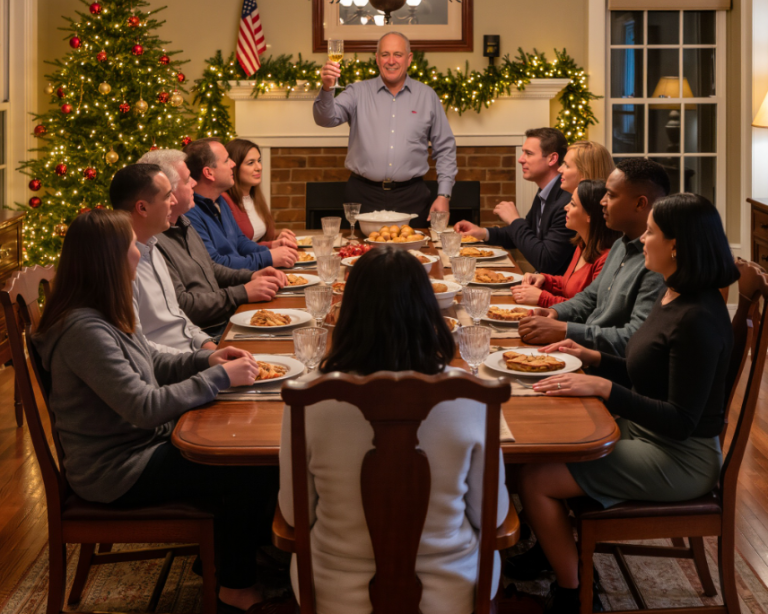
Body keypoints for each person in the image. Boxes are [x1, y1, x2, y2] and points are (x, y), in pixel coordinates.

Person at [30, 210, 288, 613]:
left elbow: (152, 359)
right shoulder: (84, 330)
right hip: (117, 468)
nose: (139, 252)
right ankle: (235, 588)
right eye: (130, 246)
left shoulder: (105, 308)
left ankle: (236, 556)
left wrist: (209, 360)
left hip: (140, 445)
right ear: (108, 259)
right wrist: (218, 379)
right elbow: (143, 407)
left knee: (247, 454)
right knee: (244, 466)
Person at [514, 193, 740, 614]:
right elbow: (648, 368)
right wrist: (592, 357)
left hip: (679, 457)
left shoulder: (698, 318)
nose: (642, 241)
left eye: (651, 232)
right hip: (648, 432)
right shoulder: (673, 292)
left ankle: (574, 593)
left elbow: (680, 421)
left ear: (676, 246)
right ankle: (552, 548)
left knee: (535, 478)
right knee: (548, 439)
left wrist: (604, 388)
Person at [278, 246, 509, 614]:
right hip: (453, 591)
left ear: (347, 313)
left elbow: (293, 516)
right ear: (429, 312)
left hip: (334, 592)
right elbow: (492, 517)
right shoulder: (470, 394)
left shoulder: (308, 396)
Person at [517, 158, 669, 354]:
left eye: (611, 195)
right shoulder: (620, 245)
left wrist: (565, 330)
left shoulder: (656, 264)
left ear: (640, 203)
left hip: (605, 363)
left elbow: (636, 337)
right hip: (585, 349)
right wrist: (554, 312)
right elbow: (590, 297)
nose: (602, 202)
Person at [315, 31, 457, 228]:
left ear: (409, 59)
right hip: (362, 196)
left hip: (412, 196)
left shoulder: (427, 96)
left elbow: (445, 148)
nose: (391, 61)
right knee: (358, 248)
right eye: (385, 54)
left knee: (415, 248)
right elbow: (325, 119)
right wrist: (327, 89)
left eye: (398, 54)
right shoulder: (356, 92)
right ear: (377, 58)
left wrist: (444, 195)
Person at [138, 149, 286, 338]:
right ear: (168, 191)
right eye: (187, 180)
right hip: (209, 332)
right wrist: (242, 292)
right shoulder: (153, 240)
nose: (194, 183)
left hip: (222, 321)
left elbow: (211, 267)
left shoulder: (183, 222)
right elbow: (182, 306)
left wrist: (252, 275)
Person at [109, 163, 217, 353]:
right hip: (171, 364)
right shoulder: (121, 266)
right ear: (142, 208)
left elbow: (177, 315)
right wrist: (202, 359)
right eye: (167, 196)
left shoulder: (153, 247)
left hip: (193, 353)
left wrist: (208, 345)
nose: (174, 201)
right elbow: (138, 348)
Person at [455, 128, 573, 275]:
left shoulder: (567, 203)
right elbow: (523, 235)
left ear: (552, 159)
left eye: (528, 153)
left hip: (555, 287)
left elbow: (545, 261)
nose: (520, 159)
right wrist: (482, 232)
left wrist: (514, 220)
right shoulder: (545, 192)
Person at [184, 138, 299, 271]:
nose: (233, 164)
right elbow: (215, 265)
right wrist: (268, 257)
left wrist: (270, 250)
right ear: (209, 173)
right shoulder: (190, 213)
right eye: (226, 160)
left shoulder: (218, 200)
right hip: (233, 281)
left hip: (243, 275)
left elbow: (240, 241)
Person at [510, 180, 621, 308]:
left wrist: (543, 298)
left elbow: (590, 309)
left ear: (589, 215)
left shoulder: (605, 259)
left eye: (572, 204)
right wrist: (545, 280)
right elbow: (570, 285)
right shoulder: (582, 245)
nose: (565, 207)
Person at [222, 138, 297, 247]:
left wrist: (278, 236)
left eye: (259, 161)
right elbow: (237, 248)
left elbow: (257, 238)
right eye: (250, 163)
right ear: (234, 167)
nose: (259, 167)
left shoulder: (254, 197)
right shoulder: (225, 200)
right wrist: (271, 245)